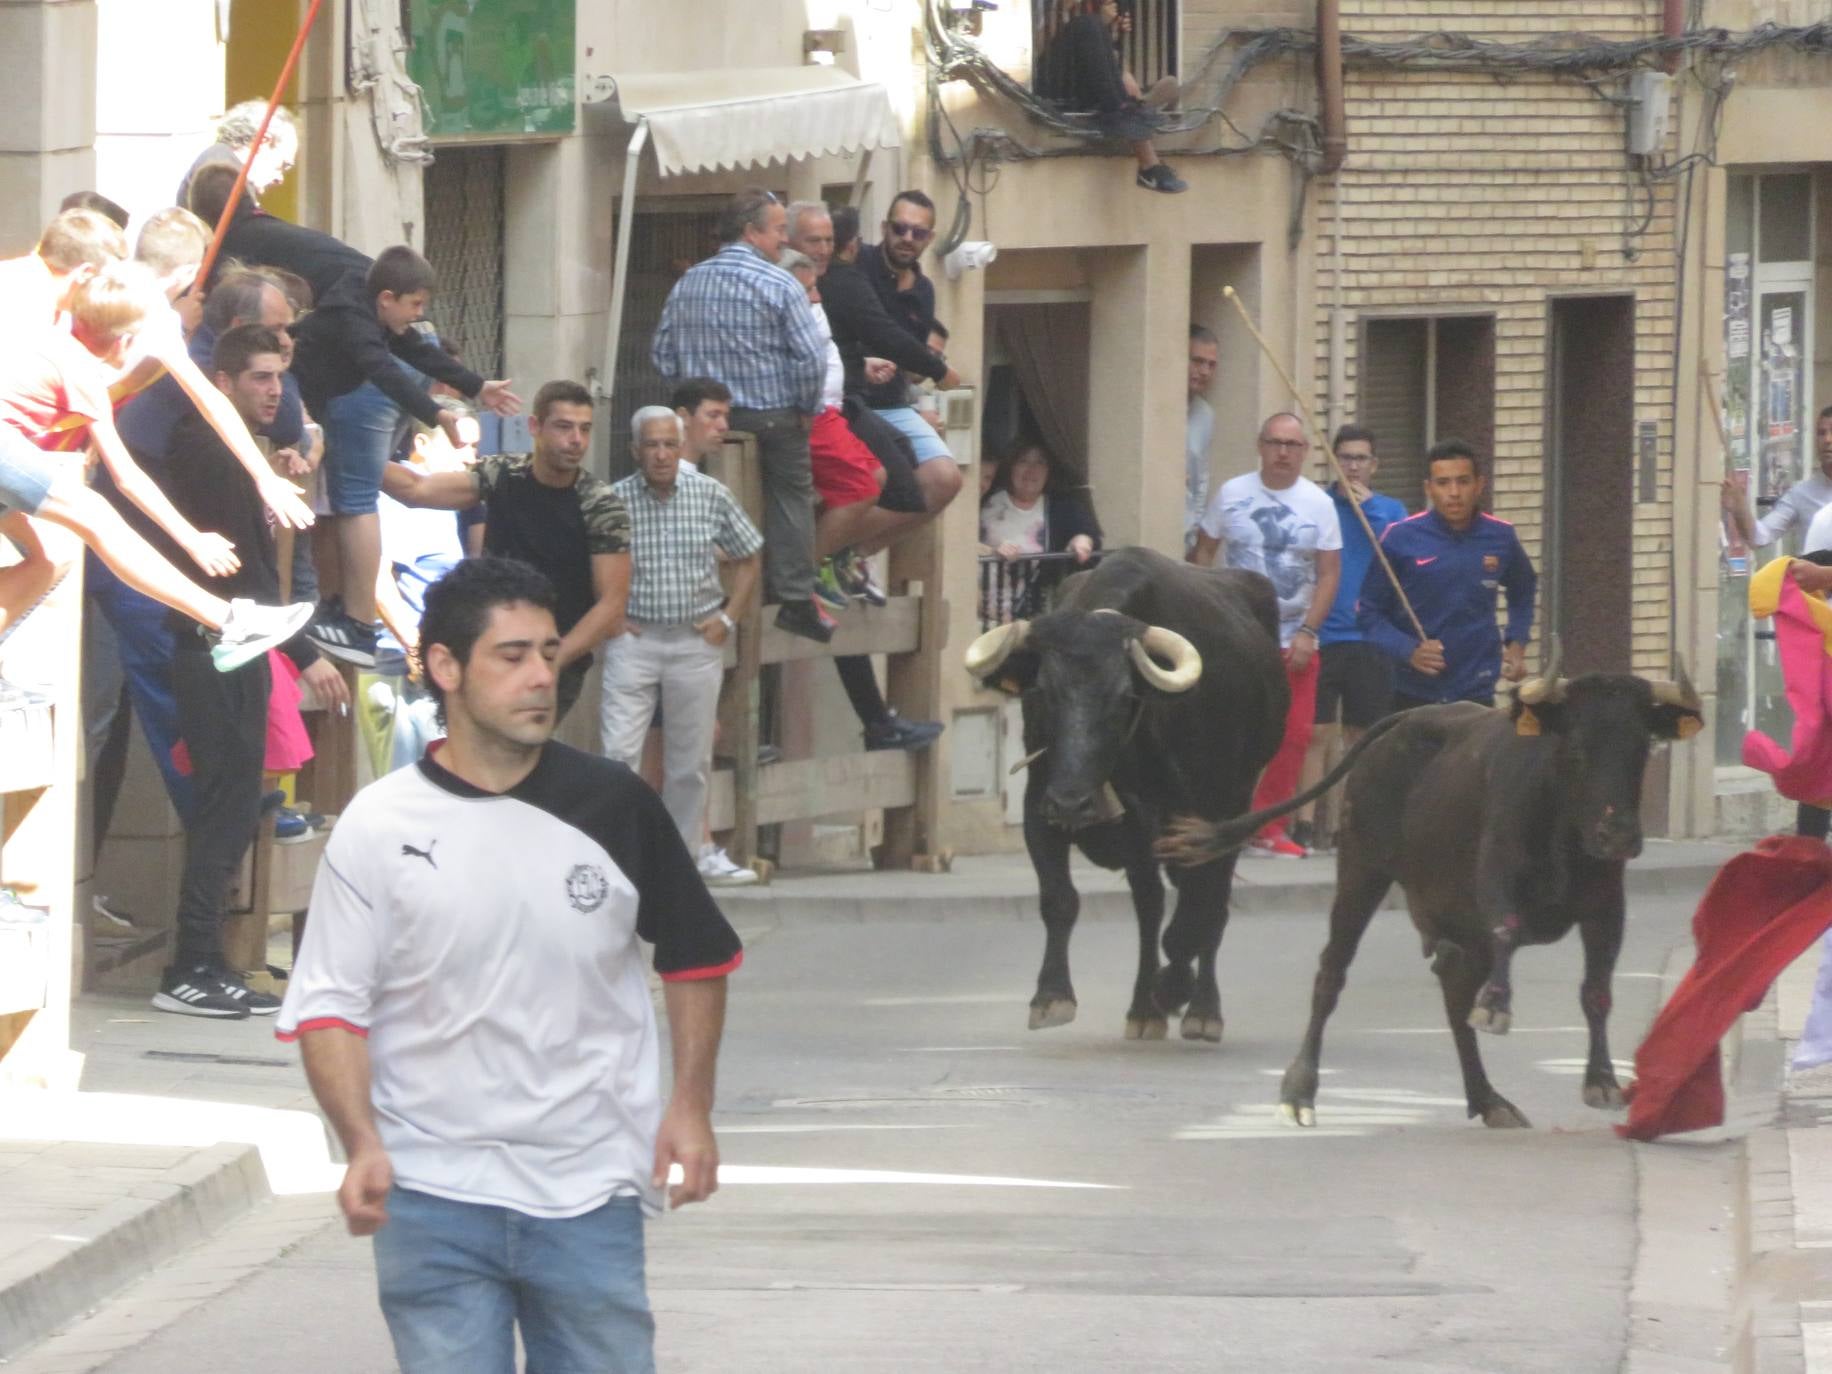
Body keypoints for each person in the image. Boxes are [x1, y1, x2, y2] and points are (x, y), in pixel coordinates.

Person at [276, 555, 740, 1372]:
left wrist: (691, 1106)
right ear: (446, 667)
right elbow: (329, 1007)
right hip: (431, 1193)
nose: (540, 678)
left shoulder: (615, 804)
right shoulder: (377, 825)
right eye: (513, 655)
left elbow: (698, 956)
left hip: (590, 1187)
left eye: (550, 654)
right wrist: (361, 1141)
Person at [149, 324, 348, 1019]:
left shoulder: (241, 450)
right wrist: (308, 654)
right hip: (216, 644)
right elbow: (252, 579)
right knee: (224, 811)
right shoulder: (212, 448)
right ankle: (189, 967)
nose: (274, 391)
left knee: (236, 810)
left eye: (280, 377)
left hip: (238, 646)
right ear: (223, 383)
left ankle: (207, 960)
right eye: (260, 377)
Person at [0, 261, 311, 677]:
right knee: (94, 516)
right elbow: (126, 478)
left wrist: (263, 477)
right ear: (127, 342)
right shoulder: (78, 369)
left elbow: (207, 400)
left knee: (49, 560)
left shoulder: (75, 331)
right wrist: (190, 538)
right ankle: (230, 622)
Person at [289, 244, 522, 666]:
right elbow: (383, 371)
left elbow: (416, 350)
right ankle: (355, 619)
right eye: (415, 304)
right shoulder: (353, 319)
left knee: (350, 501)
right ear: (386, 299)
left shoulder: (375, 309)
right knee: (352, 501)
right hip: (325, 398)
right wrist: (436, 413)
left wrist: (476, 385)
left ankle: (352, 618)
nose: (419, 314)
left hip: (332, 401)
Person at [381, 379, 631, 721]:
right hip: (489, 646)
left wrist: (550, 660)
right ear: (535, 427)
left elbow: (612, 605)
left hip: (556, 657)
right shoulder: (504, 474)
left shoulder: (599, 504)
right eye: (564, 427)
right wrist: (350, 450)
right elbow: (418, 489)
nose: (576, 440)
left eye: (584, 429)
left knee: (519, 744)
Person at [651, 187, 833, 645]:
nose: (784, 240)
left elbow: (661, 353)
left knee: (690, 494)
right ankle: (793, 597)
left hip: (700, 424)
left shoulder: (688, 283)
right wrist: (805, 408)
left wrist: (690, 404)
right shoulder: (781, 283)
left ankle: (693, 584)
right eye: (778, 231)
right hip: (771, 417)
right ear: (751, 232)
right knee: (792, 494)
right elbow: (811, 359)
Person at [603, 408, 763, 863]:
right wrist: (610, 616)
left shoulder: (710, 494)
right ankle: (618, 856)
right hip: (634, 640)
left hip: (695, 640)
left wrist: (728, 618)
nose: (661, 454)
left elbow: (750, 555)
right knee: (617, 755)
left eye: (669, 445)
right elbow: (587, 558)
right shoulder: (613, 500)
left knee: (690, 764)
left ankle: (681, 862)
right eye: (651, 445)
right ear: (635, 450)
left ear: (680, 448)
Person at [1192, 412, 1342, 858]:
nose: (1282, 453)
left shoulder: (1319, 504)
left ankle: (1269, 827)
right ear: (1260, 446)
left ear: (1305, 452)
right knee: (1230, 733)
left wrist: (1309, 631)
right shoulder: (1232, 494)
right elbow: (1203, 553)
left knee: (1293, 735)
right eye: (1275, 443)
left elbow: (1329, 574)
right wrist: (1205, 614)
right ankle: (1224, 823)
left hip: (1294, 638)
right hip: (1237, 636)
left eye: (1292, 445)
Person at [1290, 424, 1406, 851]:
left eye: (1360, 459)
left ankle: (1352, 823)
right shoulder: (1319, 506)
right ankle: (1305, 824)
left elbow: (1400, 557)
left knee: (1362, 736)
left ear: (1374, 465)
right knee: (1315, 733)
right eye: (1345, 458)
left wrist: (1369, 510)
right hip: (1324, 632)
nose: (1353, 467)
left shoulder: (1391, 510)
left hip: (1371, 636)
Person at [1359, 438, 1537, 712]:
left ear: (1479, 484)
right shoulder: (1399, 537)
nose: (1454, 492)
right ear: (1428, 488)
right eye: (1443, 483)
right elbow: (1368, 612)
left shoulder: (1501, 536)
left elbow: (1523, 588)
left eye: (1463, 481)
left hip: (1476, 689)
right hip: (1412, 691)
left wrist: (1516, 643)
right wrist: (1408, 650)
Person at [853, 192, 966, 519]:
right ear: (884, 228)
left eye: (918, 232)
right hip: (852, 401)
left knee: (946, 480)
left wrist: (930, 369)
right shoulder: (858, 264)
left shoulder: (924, 290)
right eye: (900, 228)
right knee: (878, 480)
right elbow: (884, 336)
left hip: (893, 403)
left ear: (929, 238)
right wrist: (939, 371)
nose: (907, 238)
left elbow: (911, 364)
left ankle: (858, 544)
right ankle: (840, 543)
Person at [1033, 0, 1187, 193]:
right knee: (1088, 24)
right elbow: (1036, 48)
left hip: (1091, 87)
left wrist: (1110, 32)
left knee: (1093, 25)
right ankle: (1135, 112)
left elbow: (1100, 56)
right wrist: (1061, 9)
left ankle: (1130, 107)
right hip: (1052, 85)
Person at [978, 440, 1100, 624]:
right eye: (1023, 461)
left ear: (1049, 471)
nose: (1032, 469)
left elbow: (1085, 531)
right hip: (977, 612)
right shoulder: (985, 497)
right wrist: (991, 551)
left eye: (1040, 462)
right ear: (1010, 467)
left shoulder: (1061, 507)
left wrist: (1081, 540)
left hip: (1030, 617)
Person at [1728, 405, 1832, 551]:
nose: (1827, 439)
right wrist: (1739, 508)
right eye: (1821, 433)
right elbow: (1760, 536)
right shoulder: (1801, 494)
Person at [176, 100, 298, 207]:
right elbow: (245, 224)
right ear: (262, 142)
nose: (280, 179)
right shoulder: (220, 173)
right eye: (283, 165)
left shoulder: (221, 162)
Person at [1185, 325, 1218, 553]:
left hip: (1185, 539)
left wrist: (1194, 530)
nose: (1205, 371)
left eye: (1211, 365)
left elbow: (1201, 481)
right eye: (1197, 361)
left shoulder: (1205, 415)